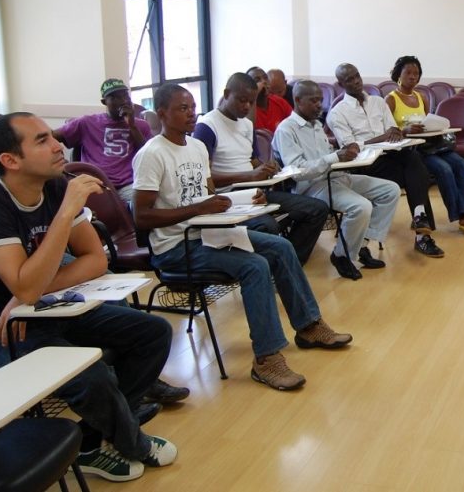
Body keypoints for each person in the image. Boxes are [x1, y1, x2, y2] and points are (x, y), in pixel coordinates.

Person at [0, 113, 177, 482]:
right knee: (92, 376)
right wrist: (66, 214)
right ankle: (132, 442)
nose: (58, 145)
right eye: (41, 140)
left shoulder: (55, 186)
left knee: (152, 333)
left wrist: (31, 292)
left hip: (47, 310)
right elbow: (26, 286)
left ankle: (93, 442)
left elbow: (94, 260)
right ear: (10, 160)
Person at [133, 83, 352, 391]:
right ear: (162, 114)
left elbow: (208, 195)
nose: (191, 114)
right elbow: (141, 217)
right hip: (175, 246)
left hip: (207, 234)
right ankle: (266, 358)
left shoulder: (195, 147)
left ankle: (308, 326)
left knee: (280, 247)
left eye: (193, 107)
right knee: (255, 266)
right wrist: (200, 208)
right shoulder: (152, 154)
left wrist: (247, 197)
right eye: (183, 109)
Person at [193, 72, 329, 265]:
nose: (247, 106)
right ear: (226, 93)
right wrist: (248, 175)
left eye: (251, 101)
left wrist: (267, 167)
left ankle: (289, 263)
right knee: (267, 225)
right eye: (242, 100)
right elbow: (203, 177)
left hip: (252, 190)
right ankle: (274, 265)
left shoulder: (247, 124)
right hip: (227, 196)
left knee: (317, 209)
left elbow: (252, 160)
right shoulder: (207, 126)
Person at [273, 80, 401, 280]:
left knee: (390, 190)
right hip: (311, 187)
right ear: (297, 100)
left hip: (337, 177)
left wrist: (345, 153)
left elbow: (327, 155)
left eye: (321, 100)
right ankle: (341, 255)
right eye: (314, 100)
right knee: (361, 207)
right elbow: (296, 170)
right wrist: (334, 157)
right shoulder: (286, 129)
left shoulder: (316, 124)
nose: (319, 105)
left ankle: (362, 246)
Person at [327, 63, 445, 258]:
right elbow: (350, 148)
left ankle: (419, 222)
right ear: (340, 84)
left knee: (413, 159)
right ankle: (421, 233)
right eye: (349, 79)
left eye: (357, 76)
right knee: (416, 174)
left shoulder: (378, 102)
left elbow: (392, 131)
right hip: (364, 165)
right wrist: (381, 138)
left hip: (390, 156)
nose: (356, 81)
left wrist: (396, 135)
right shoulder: (337, 113)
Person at [385, 56, 464, 237]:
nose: (413, 77)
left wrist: (435, 127)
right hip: (412, 150)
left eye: (416, 73)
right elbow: (387, 130)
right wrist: (406, 130)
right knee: (444, 169)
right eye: (408, 73)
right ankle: (462, 216)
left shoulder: (422, 97)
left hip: (431, 145)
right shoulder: (390, 99)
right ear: (398, 75)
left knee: (463, 165)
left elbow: (428, 121)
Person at [54, 78, 151, 205]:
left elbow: (148, 155)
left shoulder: (141, 126)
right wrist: (59, 159)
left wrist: (132, 126)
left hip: (127, 184)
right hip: (95, 182)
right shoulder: (87, 122)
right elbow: (53, 136)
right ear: (104, 102)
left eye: (125, 95)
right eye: (115, 97)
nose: (123, 101)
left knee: (146, 204)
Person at [246, 66, 293, 133]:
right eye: (257, 80)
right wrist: (254, 95)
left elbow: (295, 123)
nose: (264, 81)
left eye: (265, 78)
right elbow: (249, 131)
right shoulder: (246, 107)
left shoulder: (279, 101)